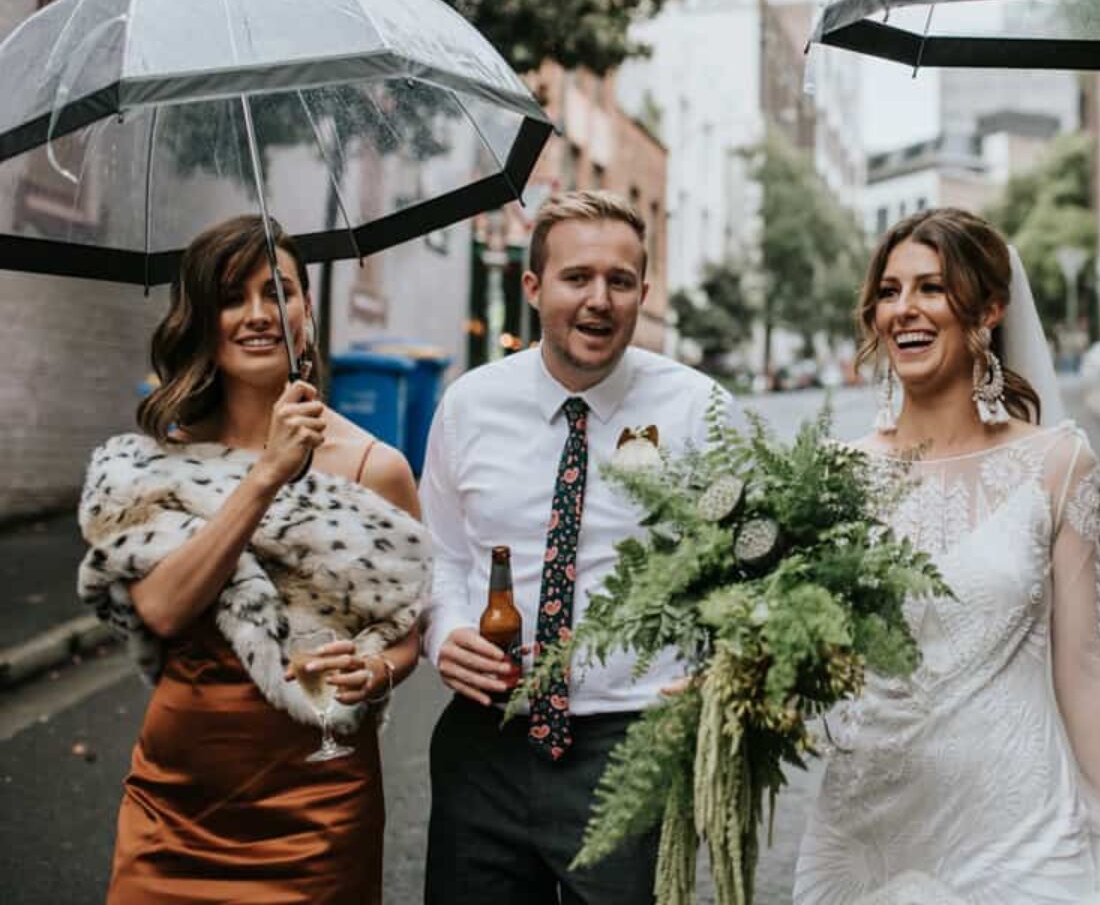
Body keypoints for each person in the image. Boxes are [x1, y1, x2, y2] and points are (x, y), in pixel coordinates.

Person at [794, 207, 1100, 905]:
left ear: (990, 309)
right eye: (889, 290)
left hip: (1021, 833)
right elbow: (806, 663)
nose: (905, 309)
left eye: (932, 288)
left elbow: (1087, 669)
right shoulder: (831, 477)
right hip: (868, 833)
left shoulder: (1059, 465)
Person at [77, 215, 429, 904]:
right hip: (175, 805)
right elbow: (162, 608)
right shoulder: (159, 461)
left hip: (317, 811)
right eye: (233, 297)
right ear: (203, 318)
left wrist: (376, 668)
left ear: (306, 311)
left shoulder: (374, 467)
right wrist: (265, 474)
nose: (259, 314)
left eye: (280, 292)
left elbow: (407, 635)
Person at [421, 189, 729, 904]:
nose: (599, 300)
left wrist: (723, 665)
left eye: (619, 282)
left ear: (643, 293)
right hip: (485, 744)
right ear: (533, 287)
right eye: (577, 278)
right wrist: (444, 634)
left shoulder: (699, 411)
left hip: (634, 743)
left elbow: (747, 571)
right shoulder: (469, 405)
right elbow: (439, 553)